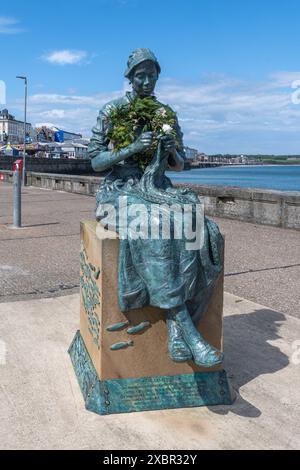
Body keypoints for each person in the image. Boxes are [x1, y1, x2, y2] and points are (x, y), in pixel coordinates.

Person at [88, 48, 224, 368]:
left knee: (197, 226)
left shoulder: (166, 114)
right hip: (121, 191)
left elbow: (179, 165)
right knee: (152, 226)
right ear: (130, 77)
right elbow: (95, 161)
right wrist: (132, 148)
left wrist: (171, 149)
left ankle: (178, 327)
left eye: (152, 75)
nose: (147, 81)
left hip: (159, 188)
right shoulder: (111, 111)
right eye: (140, 75)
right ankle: (186, 329)